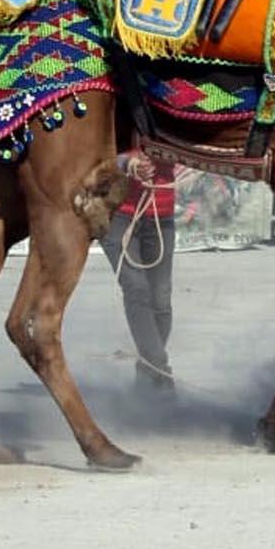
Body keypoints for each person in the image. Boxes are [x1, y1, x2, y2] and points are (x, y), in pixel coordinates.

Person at [103, 151, 177, 389]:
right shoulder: (117, 116)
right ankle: (159, 369)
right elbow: (93, 153)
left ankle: (148, 369)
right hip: (119, 216)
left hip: (161, 215)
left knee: (161, 300)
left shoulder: (169, 117)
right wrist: (125, 162)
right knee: (136, 287)